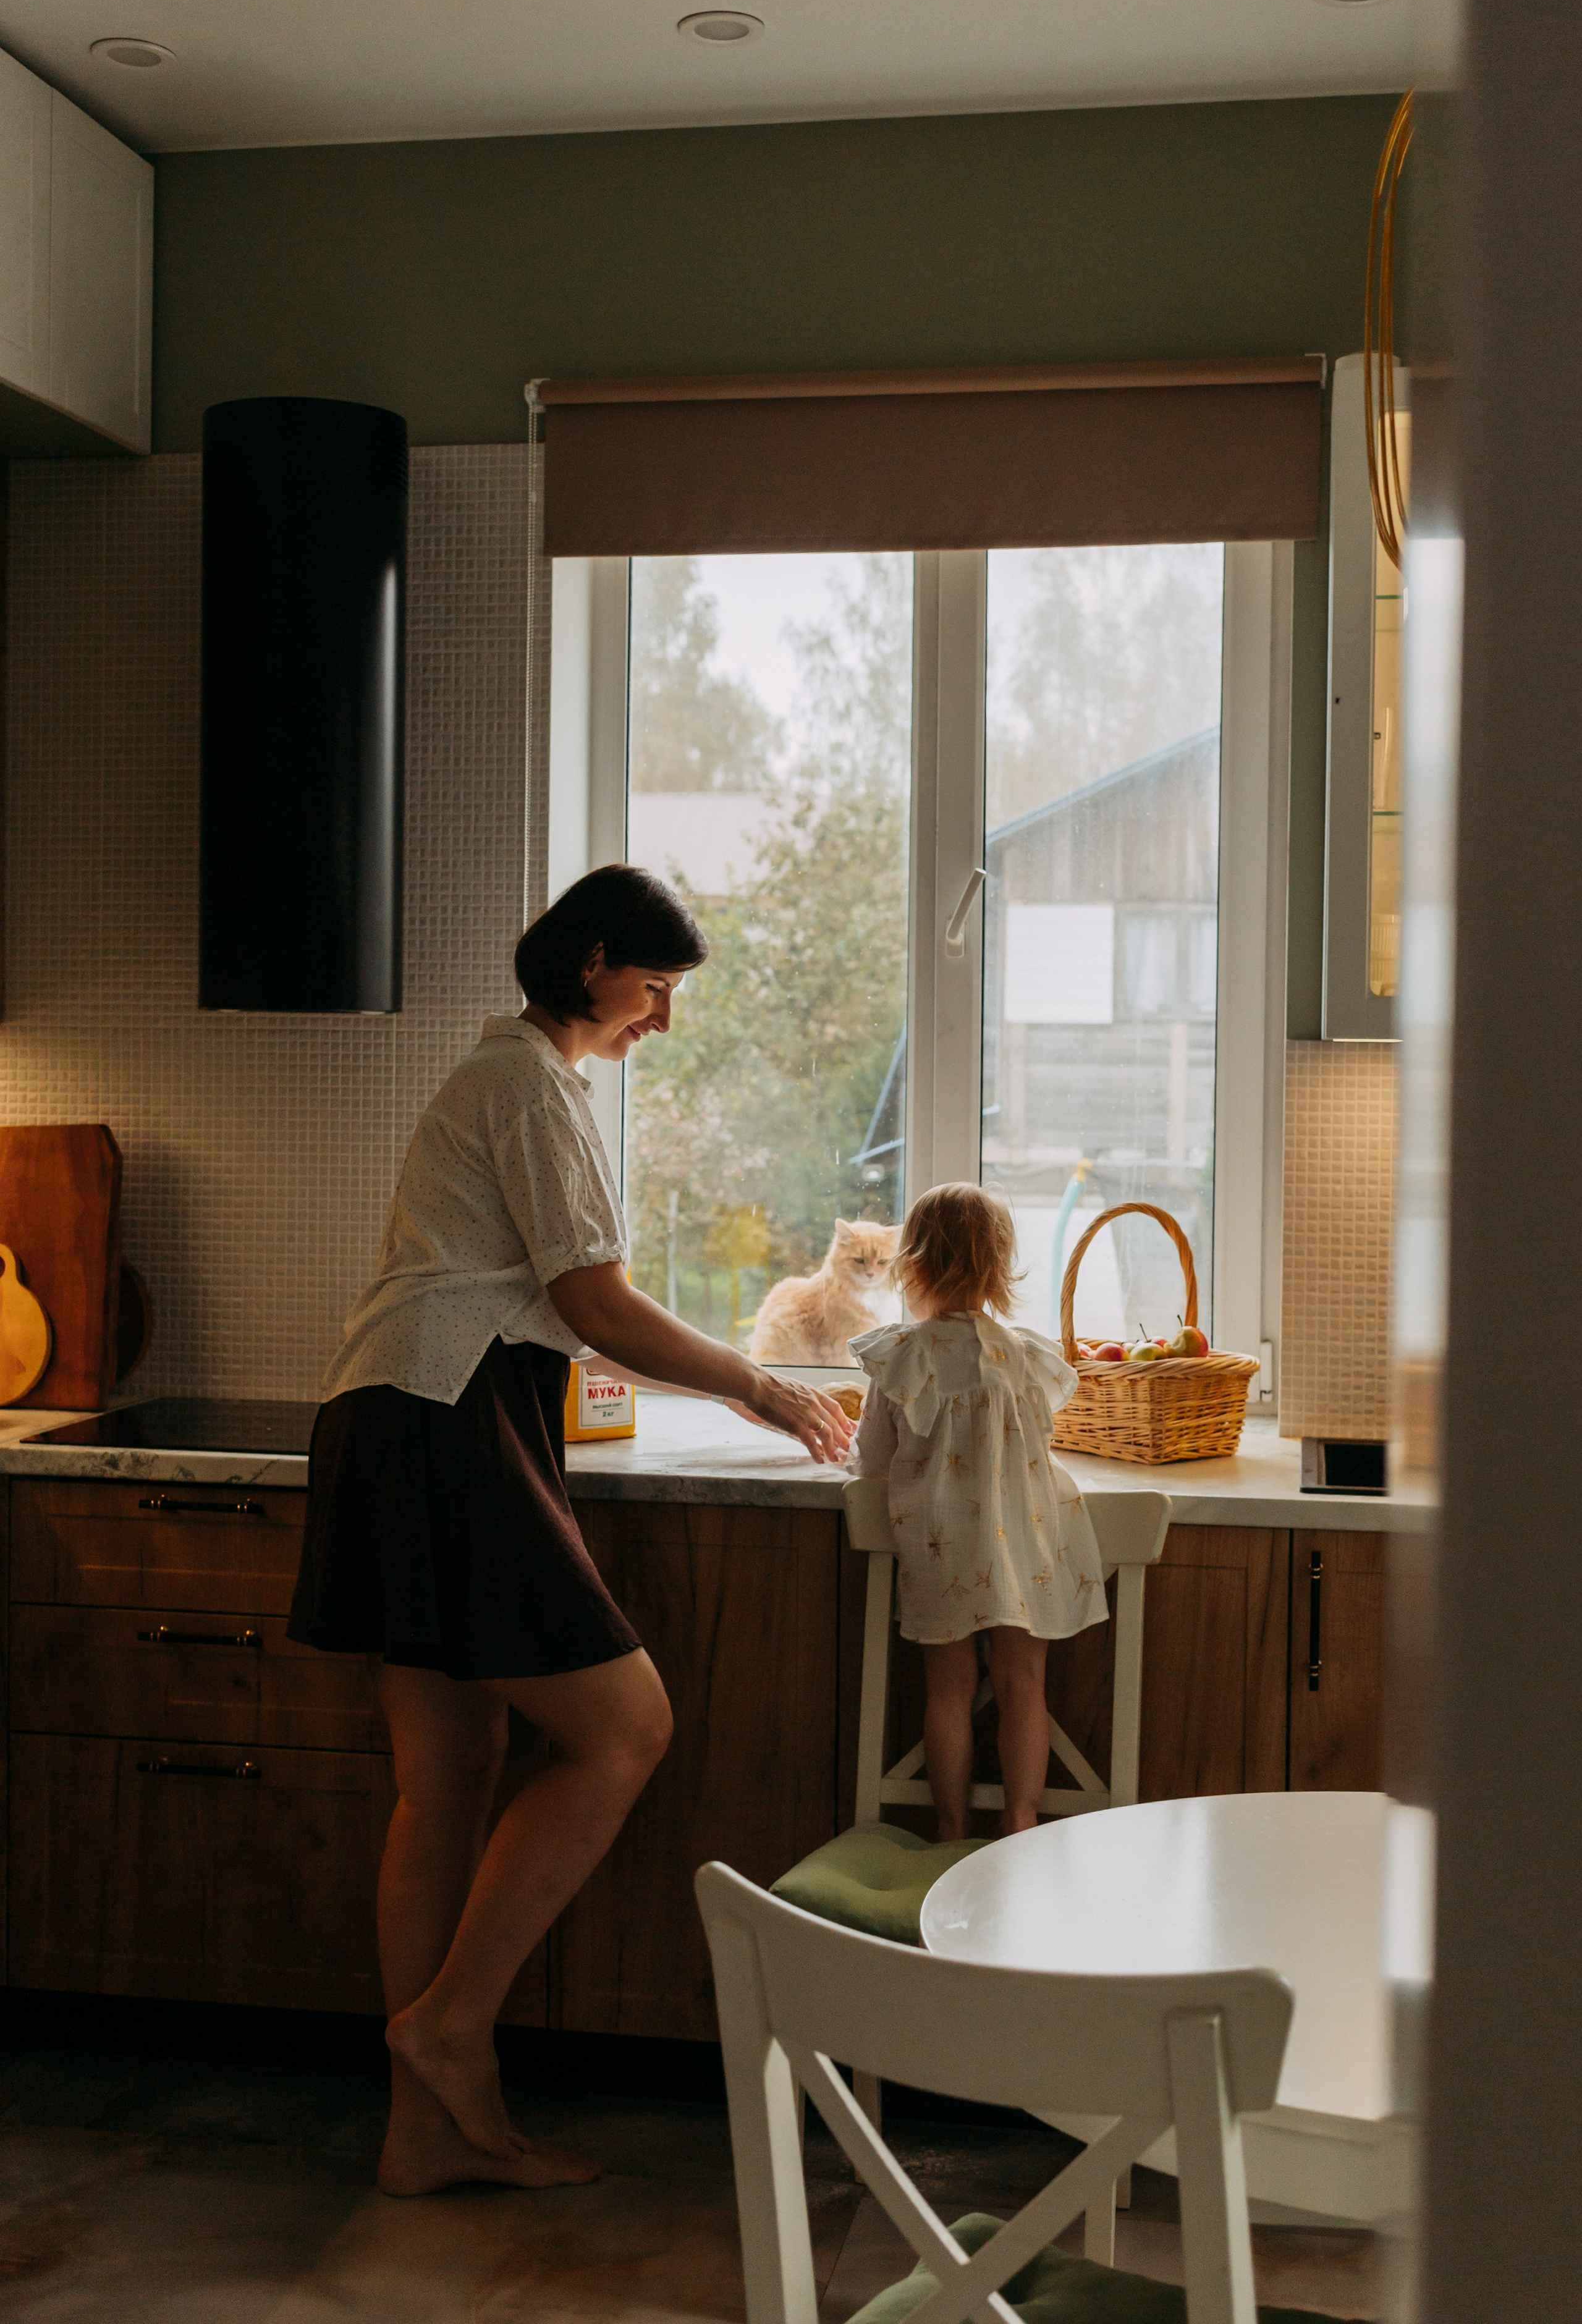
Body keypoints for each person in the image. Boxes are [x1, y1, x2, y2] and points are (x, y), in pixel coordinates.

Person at [288, 864, 851, 2197]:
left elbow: (556, 1308)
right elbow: (594, 1302)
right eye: (654, 986)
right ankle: (449, 2027)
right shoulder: (530, 1085)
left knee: (450, 1774)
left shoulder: (515, 1083)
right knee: (624, 1728)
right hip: (445, 1421)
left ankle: (425, 2129)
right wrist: (763, 1384)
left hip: (402, 1412)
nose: (661, 1017)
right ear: (592, 962)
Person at [849, 1183, 1107, 1841]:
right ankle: (1020, 1824)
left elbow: (872, 1462)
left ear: (912, 1263)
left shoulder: (902, 1355)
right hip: (1024, 1538)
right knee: (1024, 1684)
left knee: (948, 1688)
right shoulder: (1025, 1354)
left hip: (944, 1544)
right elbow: (1031, 1444)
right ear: (1000, 1266)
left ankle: (951, 1826)